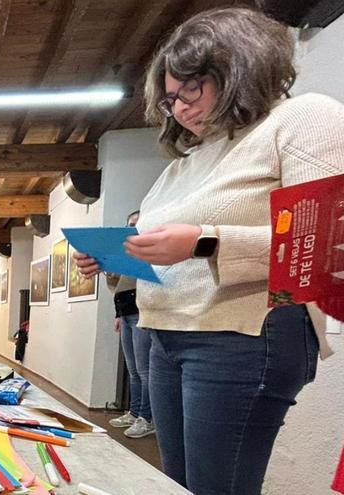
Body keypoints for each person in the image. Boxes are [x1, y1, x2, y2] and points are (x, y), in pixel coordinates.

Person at [75, 8, 344, 494]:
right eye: (171, 99)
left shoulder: (304, 118)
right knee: (181, 486)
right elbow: (177, 258)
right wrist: (121, 255)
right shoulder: (186, 163)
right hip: (167, 335)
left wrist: (204, 240)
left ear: (236, 67)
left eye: (189, 92)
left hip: (243, 335)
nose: (178, 110)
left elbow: (323, 247)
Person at [105, 211, 154, 439]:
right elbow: (118, 285)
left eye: (135, 224)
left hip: (141, 311)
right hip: (125, 312)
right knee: (133, 369)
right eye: (128, 225)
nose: (130, 228)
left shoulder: (150, 253)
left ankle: (147, 418)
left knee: (145, 370)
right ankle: (134, 412)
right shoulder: (126, 255)